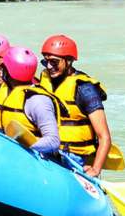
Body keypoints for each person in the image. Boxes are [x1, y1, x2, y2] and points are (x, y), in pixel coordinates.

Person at [36, 34, 113, 177]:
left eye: (54, 62)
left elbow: (104, 137)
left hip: (74, 159)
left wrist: (96, 169)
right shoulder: (44, 79)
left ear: (69, 61)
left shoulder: (85, 89)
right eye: (45, 61)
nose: (49, 66)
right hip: (47, 151)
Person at [0, 46, 62, 157]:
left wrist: (21, 146)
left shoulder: (37, 101)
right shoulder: (10, 93)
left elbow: (53, 141)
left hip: (35, 160)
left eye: (2, 68)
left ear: (10, 71)